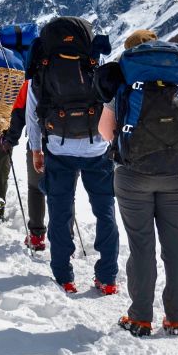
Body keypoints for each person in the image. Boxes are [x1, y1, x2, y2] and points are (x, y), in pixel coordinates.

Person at [97, 29, 178, 338]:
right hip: (177, 175)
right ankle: (176, 318)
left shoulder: (122, 82)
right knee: (175, 245)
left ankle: (140, 318)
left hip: (134, 176)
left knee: (141, 246)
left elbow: (106, 133)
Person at [26, 17, 119, 295]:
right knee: (105, 212)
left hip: (58, 148)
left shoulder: (41, 71)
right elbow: (111, 106)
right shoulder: (96, 65)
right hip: (97, 149)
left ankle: (64, 276)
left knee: (60, 211)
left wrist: (35, 149)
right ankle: (108, 277)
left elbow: (33, 114)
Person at [6, 79, 46, 249]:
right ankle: (66, 238)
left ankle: (36, 237)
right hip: (68, 144)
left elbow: (19, 112)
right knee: (64, 192)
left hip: (38, 144)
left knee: (36, 189)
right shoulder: (77, 70)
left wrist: (10, 139)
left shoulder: (32, 80)